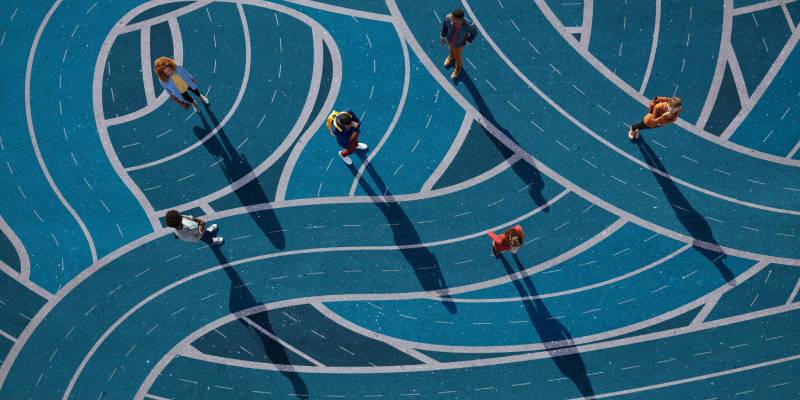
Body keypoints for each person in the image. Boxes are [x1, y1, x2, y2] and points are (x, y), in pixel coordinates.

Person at [440, 8, 478, 80]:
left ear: (459, 20)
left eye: (453, 18)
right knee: (451, 49)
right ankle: (450, 57)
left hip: (459, 43)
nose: (450, 18)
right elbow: (445, 25)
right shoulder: (448, 18)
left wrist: (468, 41)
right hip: (450, 39)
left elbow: (474, 33)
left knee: (458, 56)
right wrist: (442, 36)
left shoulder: (469, 25)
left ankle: (458, 68)